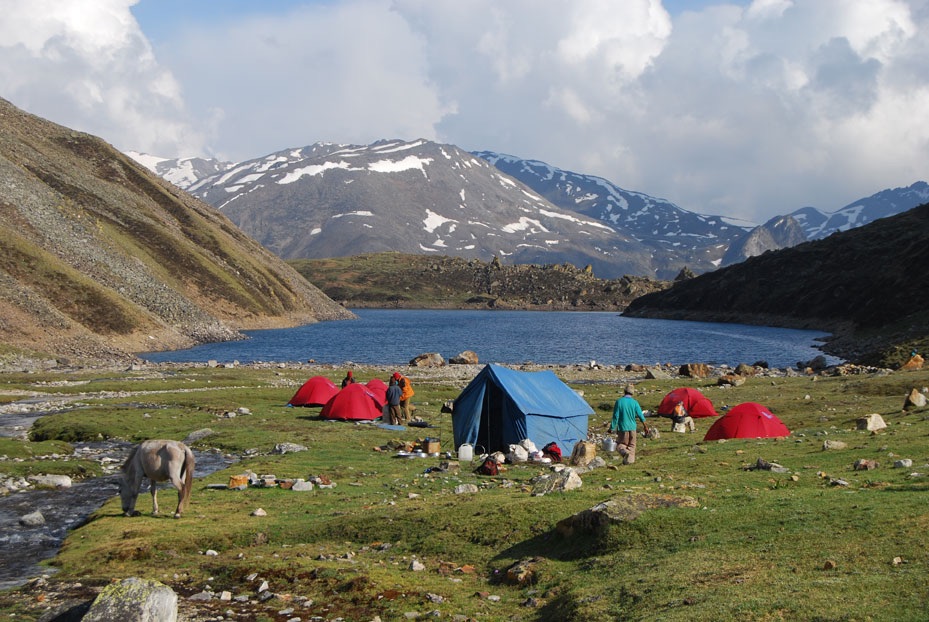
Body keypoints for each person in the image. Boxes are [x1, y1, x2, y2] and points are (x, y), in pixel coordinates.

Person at [609, 384, 649, 464]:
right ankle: (629, 462)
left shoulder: (619, 402)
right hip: (633, 428)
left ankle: (625, 453)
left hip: (623, 428)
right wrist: (645, 426)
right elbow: (641, 415)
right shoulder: (635, 402)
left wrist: (612, 427)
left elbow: (615, 416)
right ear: (632, 393)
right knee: (632, 446)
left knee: (620, 445)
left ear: (624, 391)